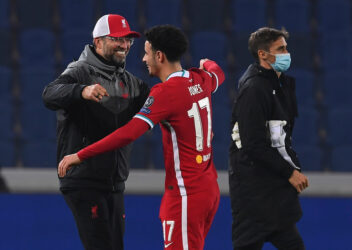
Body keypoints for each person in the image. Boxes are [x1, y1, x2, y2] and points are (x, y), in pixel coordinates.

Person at [58, 25, 226, 250]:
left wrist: (80, 155)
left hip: (185, 194)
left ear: (159, 56)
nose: (144, 59)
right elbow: (218, 73)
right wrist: (207, 63)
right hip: (209, 189)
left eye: (147, 53)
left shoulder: (165, 93)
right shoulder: (200, 79)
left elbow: (127, 134)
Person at [42, 14, 150, 250]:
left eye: (128, 40)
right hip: (83, 179)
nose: (125, 45)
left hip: (114, 182)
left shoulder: (132, 82)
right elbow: (49, 94)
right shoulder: (79, 71)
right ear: (98, 42)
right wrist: (82, 91)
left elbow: (160, 107)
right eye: (117, 39)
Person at [228, 27, 309, 250]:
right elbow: (252, 144)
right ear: (262, 54)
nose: (287, 53)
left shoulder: (280, 84)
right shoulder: (254, 89)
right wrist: (289, 172)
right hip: (253, 193)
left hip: (272, 191)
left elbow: (283, 136)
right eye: (280, 49)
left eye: (286, 48)